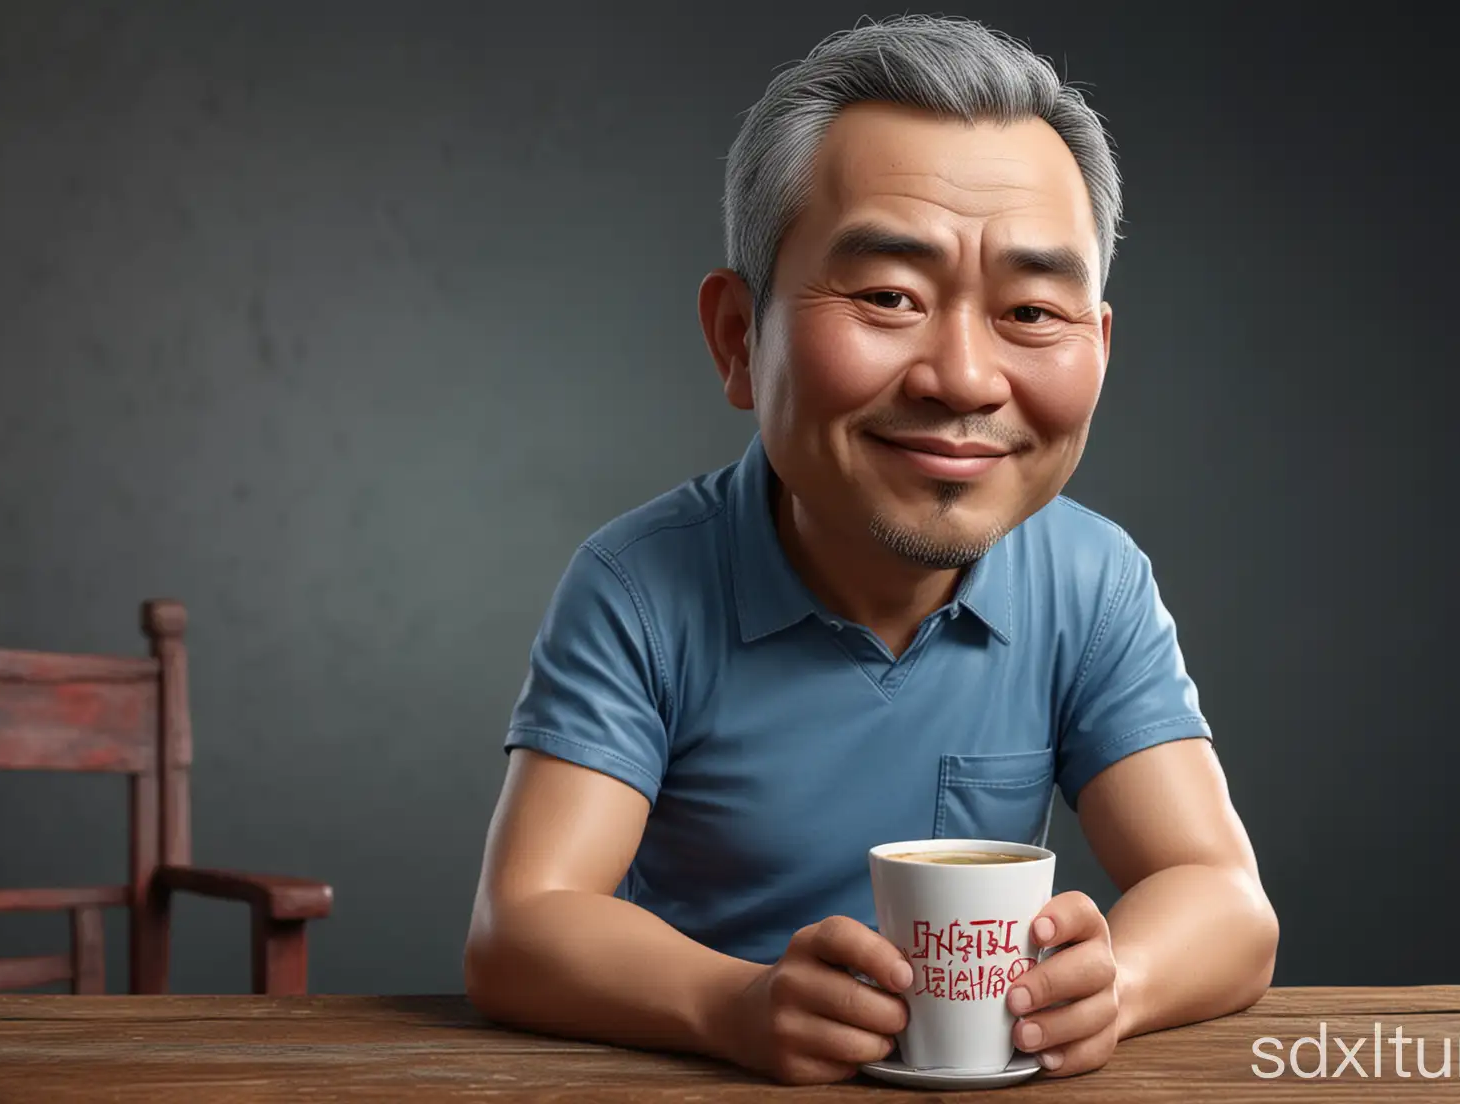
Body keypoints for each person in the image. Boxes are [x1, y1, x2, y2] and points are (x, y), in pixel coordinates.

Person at [463, 13, 1277, 1085]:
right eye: (890, 295)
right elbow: (523, 923)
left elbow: (1223, 900)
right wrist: (736, 1004)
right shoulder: (639, 586)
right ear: (737, 339)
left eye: (1032, 311)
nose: (966, 379)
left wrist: (1115, 983)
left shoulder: (1090, 580)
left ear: (1100, 346)